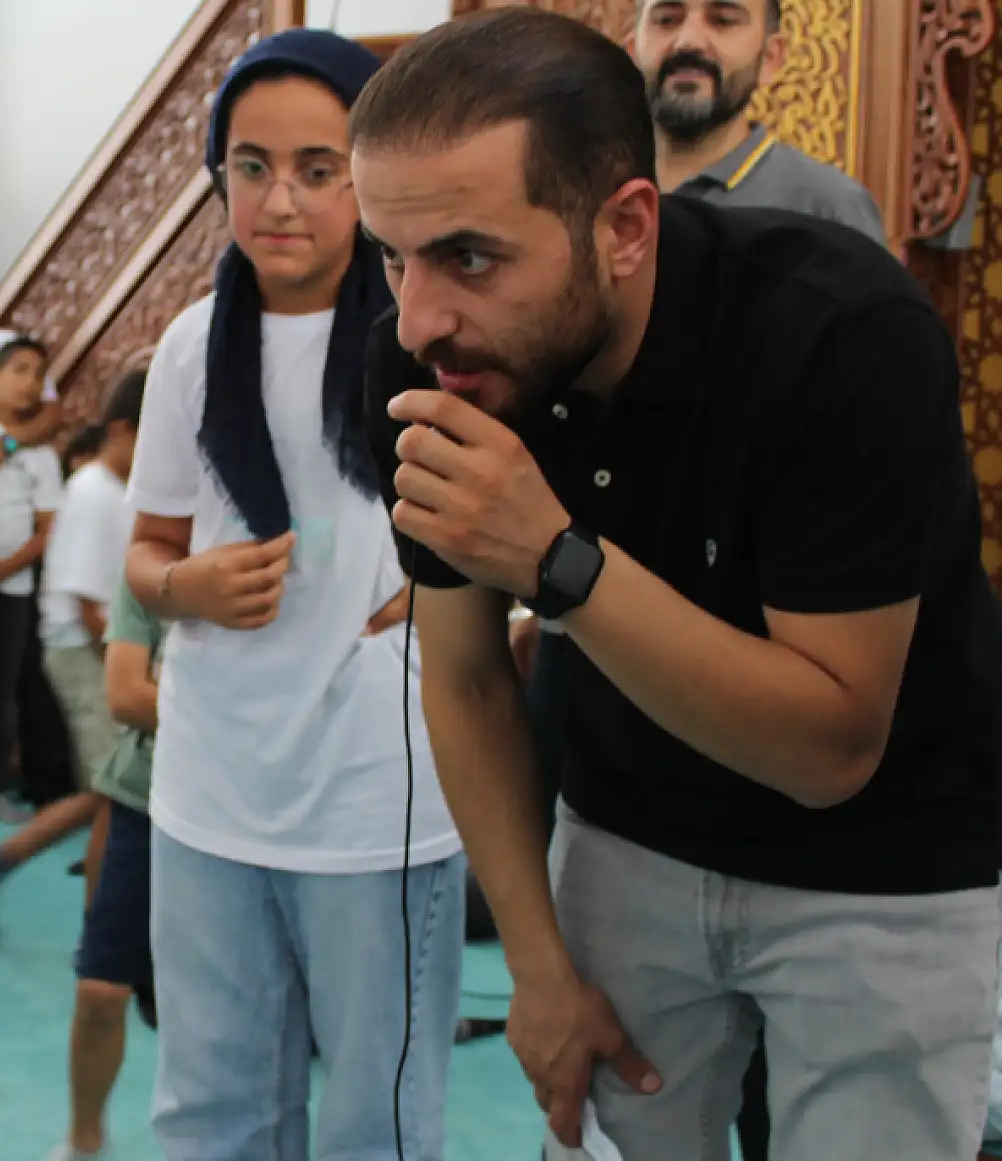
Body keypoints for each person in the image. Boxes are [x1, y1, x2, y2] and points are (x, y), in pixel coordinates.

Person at [353, 11, 1002, 1160]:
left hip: (884, 862)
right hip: (628, 833)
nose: (417, 320)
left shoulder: (840, 334)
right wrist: (536, 970)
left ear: (622, 228)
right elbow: (463, 681)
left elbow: (828, 751)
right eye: (391, 257)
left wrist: (554, 561)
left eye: (468, 257)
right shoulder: (428, 362)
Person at [124, 30, 464, 1160]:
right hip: (212, 787)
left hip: (376, 794)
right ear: (218, 176)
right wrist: (186, 586)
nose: (281, 201)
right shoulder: (189, 348)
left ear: (369, 176)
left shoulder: (434, 336)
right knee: (209, 1111)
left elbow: (537, 533)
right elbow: (146, 556)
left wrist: (464, 602)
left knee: (378, 1123)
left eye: (319, 170)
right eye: (252, 167)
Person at [629, 2, 888, 1154]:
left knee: (779, 1085)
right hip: (613, 666)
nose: (689, 36)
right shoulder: (588, 202)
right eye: (665, 13)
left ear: (770, 54)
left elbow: (869, 443)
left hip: (776, 666)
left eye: (723, 15)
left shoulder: (824, 208)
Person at [0, 369, 147, 939]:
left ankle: (2, 868)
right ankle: (95, 932)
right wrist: (132, 670)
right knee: (114, 793)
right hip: (84, 652)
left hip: (102, 652)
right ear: (122, 430)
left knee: (114, 792)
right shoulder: (94, 492)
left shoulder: (118, 492)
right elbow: (89, 607)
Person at [48, 575, 165, 1161]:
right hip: (143, 803)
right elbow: (126, 696)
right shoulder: (148, 572)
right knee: (99, 989)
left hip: (249, 821)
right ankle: (83, 1139)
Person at [633, 0, 884, 239]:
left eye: (722, 21)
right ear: (631, 51)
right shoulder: (611, 185)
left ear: (769, 58)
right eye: (666, 20)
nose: (688, 42)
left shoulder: (829, 209)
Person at [0, 336, 65, 823]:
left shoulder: (44, 454)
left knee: (0, 690)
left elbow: (48, 528)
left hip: (12, 588)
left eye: (39, 374)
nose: (30, 383)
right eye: (20, 369)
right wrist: (14, 441)